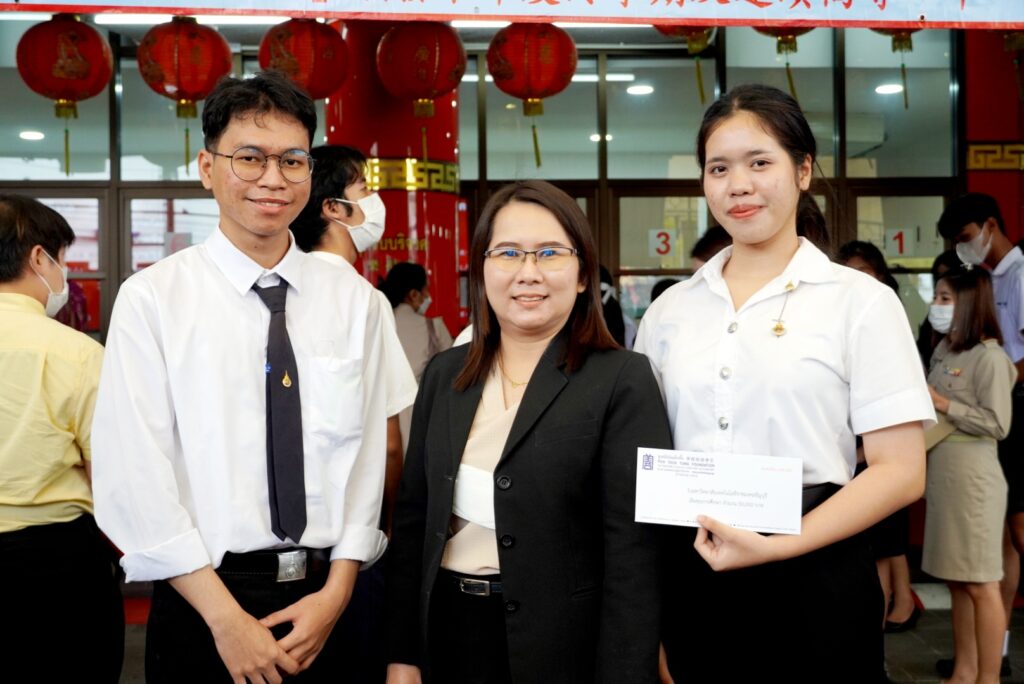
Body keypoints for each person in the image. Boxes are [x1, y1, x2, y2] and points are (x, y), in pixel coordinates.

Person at [92, 71, 396, 684]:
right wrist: (225, 620)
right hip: (203, 603)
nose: (272, 178)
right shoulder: (153, 299)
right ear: (208, 167)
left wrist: (338, 591)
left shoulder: (357, 302)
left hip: (327, 600)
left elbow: (368, 457)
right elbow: (134, 471)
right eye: (250, 158)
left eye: (292, 160)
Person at [635, 84, 933, 682]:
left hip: (818, 571)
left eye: (759, 162)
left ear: (802, 171)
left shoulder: (861, 303)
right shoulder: (670, 311)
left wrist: (777, 545)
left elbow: (901, 471)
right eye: (719, 168)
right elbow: (646, 455)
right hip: (694, 570)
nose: (738, 185)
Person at [386, 180, 672, 683]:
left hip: (564, 645)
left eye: (550, 253)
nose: (528, 272)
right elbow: (413, 518)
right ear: (482, 269)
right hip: (449, 634)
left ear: (582, 274)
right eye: (508, 253)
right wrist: (402, 655)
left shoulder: (621, 378)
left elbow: (634, 552)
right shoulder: (446, 373)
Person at [290, 144, 418, 683]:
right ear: (333, 208)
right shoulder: (363, 299)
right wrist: (387, 530)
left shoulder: (275, 287)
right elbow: (388, 442)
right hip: (349, 551)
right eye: (365, 188)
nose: (375, 200)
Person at [0, 194, 124, 682]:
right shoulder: (77, 353)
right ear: (39, 258)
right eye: (62, 258)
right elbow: (108, 478)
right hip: (52, 565)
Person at [937, 193, 1024, 678]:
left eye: (966, 237)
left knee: (1000, 553)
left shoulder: (1020, 274)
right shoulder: (981, 281)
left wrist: (988, 382)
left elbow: (1012, 370)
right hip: (961, 452)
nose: (963, 248)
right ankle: (974, 664)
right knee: (970, 569)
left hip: (1006, 418)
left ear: (990, 225)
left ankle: (991, 666)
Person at [923, 266, 1017, 684]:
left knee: (981, 583)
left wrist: (944, 403)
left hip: (974, 480)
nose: (937, 306)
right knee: (957, 581)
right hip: (945, 475)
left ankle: (989, 677)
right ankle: (964, 671)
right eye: (937, 297)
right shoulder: (945, 350)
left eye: (945, 298)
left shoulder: (990, 357)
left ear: (969, 303)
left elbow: (998, 424)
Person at [836, 240, 921, 634]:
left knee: (886, 541)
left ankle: (897, 605)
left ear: (881, 275)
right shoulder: (837, 311)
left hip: (878, 453)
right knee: (883, 545)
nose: (855, 279)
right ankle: (898, 603)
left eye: (864, 271)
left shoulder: (882, 313)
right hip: (857, 454)